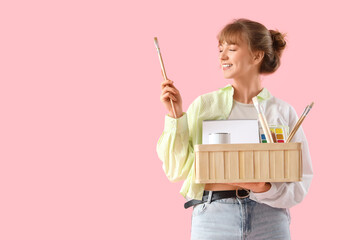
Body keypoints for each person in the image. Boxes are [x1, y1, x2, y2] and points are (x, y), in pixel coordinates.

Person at [157, 18, 313, 240]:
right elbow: (176, 168)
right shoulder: (205, 105)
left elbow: (300, 181)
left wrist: (263, 187)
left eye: (231, 49)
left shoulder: (282, 111)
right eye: (220, 49)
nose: (222, 57)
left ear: (256, 56)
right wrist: (175, 116)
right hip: (213, 217)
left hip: (269, 218)